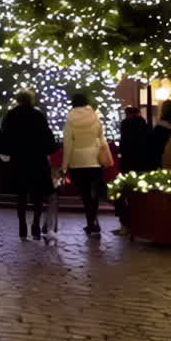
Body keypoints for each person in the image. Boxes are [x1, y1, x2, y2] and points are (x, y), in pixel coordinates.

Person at [0, 91, 57, 241]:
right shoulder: (38, 115)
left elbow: (3, 136)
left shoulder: (11, 115)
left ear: (18, 100)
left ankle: (22, 226)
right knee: (38, 195)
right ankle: (36, 225)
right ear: (31, 100)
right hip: (37, 159)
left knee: (21, 195)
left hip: (19, 159)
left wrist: (6, 153)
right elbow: (48, 137)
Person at [62, 93, 107, 235]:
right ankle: (93, 220)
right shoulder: (95, 117)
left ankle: (91, 222)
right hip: (94, 159)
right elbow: (101, 137)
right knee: (94, 193)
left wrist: (64, 165)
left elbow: (68, 143)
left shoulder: (70, 119)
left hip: (77, 161)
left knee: (85, 194)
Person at [114, 106, 153, 235]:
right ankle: (141, 223)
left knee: (126, 194)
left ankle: (127, 224)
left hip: (128, 163)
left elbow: (124, 144)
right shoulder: (145, 125)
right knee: (140, 194)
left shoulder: (126, 125)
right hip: (143, 164)